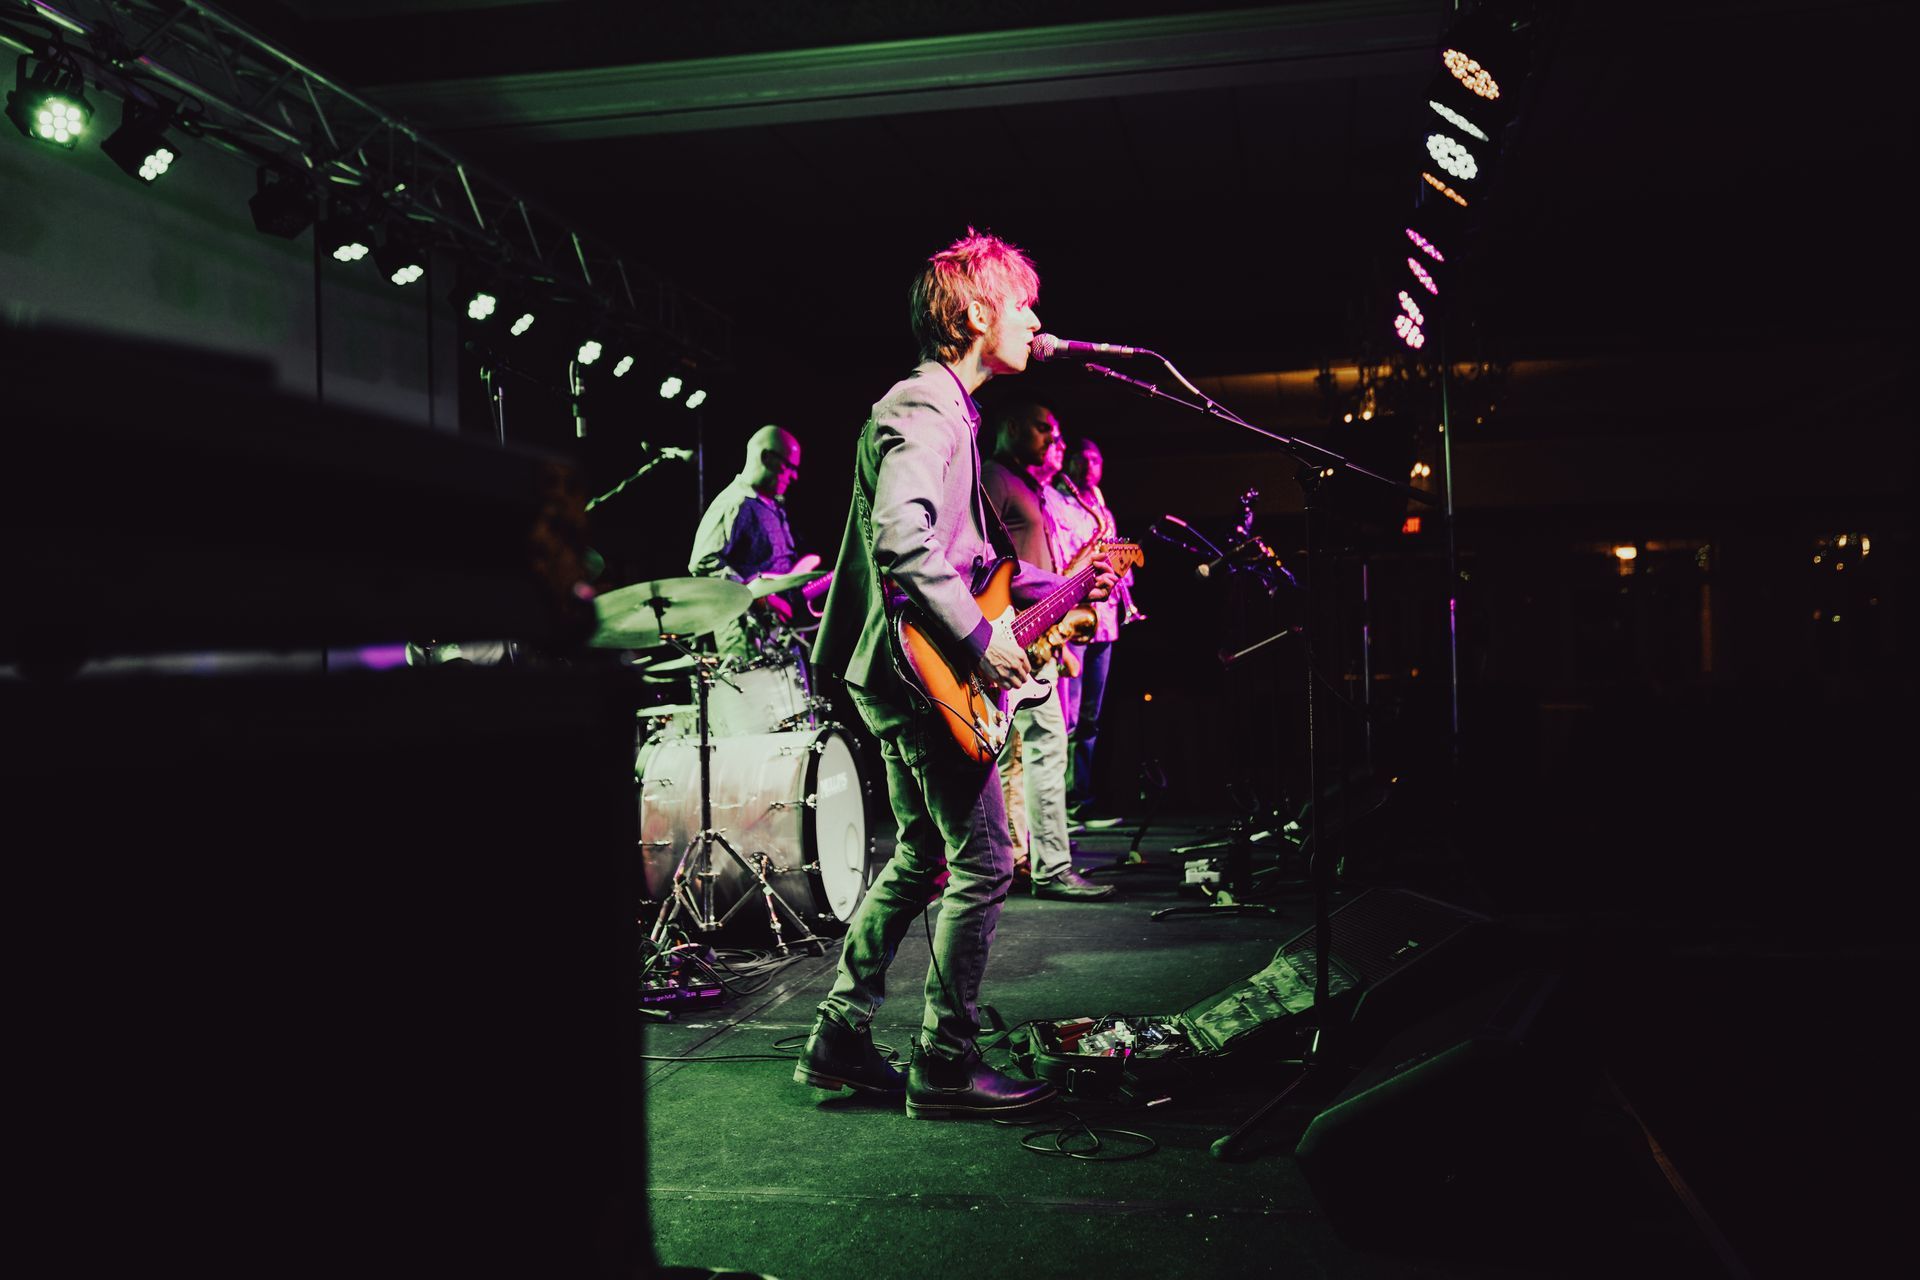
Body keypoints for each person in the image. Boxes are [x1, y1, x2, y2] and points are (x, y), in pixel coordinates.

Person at [795, 229, 1113, 1118]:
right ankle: (944, 1059)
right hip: (916, 672)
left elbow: (960, 557)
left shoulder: (949, 411)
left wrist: (1054, 588)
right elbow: (901, 538)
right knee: (986, 858)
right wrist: (980, 641)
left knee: (926, 853)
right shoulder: (926, 405)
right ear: (977, 312)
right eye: (1023, 304)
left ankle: (841, 1035)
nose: (1038, 321)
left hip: (897, 669)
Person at [981, 403, 1115, 901]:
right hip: (1011, 636)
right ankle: (1046, 866)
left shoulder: (1028, 488)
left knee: (1036, 750)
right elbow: (983, 560)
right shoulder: (994, 477)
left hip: (1034, 636)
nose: (1052, 438)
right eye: (1044, 428)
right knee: (1036, 750)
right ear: (1010, 425)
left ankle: (1033, 863)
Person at [1056, 437, 1141, 821]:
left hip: (1104, 621)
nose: (1093, 465)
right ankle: (1057, 808)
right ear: (1072, 462)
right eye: (1086, 458)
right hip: (1074, 619)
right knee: (1067, 718)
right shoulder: (1057, 501)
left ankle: (1080, 804)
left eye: (1098, 458)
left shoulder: (1101, 507)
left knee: (1090, 719)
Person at [687, 424, 804, 662]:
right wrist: (758, 597)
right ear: (767, 458)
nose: (794, 476)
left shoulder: (772, 504)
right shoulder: (734, 502)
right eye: (788, 466)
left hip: (778, 631)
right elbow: (703, 560)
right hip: (747, 633)